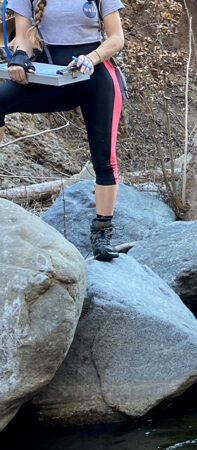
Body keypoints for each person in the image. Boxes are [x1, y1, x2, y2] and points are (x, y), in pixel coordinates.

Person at [0, 0, 126, 261]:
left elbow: (116, 39)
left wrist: (90, 58)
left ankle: (102, 233)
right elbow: (22, 38)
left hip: (94, 75)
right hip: (50, 75)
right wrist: (21, 58)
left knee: (104, 159)